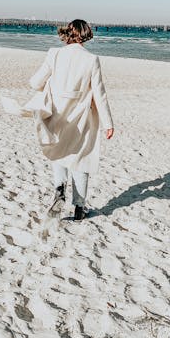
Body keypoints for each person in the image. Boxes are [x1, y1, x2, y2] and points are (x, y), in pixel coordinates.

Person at [27, 19, 114, 220]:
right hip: (80, 117)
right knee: (81, 158)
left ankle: (59, 190)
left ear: (69, 32)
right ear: (86, 34)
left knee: (58, 152)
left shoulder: (54, 54)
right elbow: (99, 94)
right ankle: (79, 208)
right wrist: (108, 124)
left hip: (56, 113)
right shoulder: (91, 59)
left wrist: (52, 87)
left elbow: (35, 82)